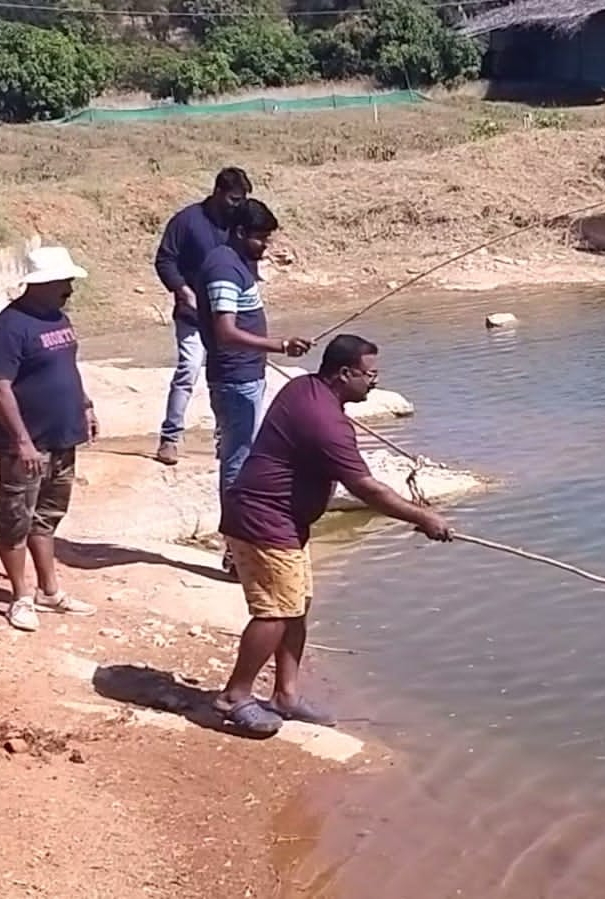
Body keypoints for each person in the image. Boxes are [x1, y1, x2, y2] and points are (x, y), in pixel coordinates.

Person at [215, 334, 452, 735]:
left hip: (285, 522)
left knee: (297, 605)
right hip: (263, 520)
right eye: (369, 374)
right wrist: (423, 517)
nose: (374, 382)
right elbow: (366, 488)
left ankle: (285, 695)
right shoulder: (326, 423)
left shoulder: (305, 388)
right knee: (275, 611)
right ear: (345, 373)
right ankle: (235, 695)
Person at [0, 246, 99, 632]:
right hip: (27, 446)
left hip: (62, 437)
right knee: (16, 520)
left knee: (46, 518)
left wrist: (85, 405)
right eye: (64, 281)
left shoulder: (58, 318)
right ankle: (21, 596)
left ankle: (50, 591)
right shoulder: (8, 329)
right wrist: (22, 442)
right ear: (41, 283)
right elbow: (1, 390)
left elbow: (67, 367)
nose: (70, 288)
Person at [196, 197, 312, 574]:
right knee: (238, 461)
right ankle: (236, 549)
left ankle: (239, 544)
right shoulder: (223, 269)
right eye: (261, 238)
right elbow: (226, 332)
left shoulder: (237, 263)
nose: (265, 246)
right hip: (234, 378)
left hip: (247, 374)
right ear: (241, 232)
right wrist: (279, 345)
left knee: (241, 455)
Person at [151, 167, 253, 467]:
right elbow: (165, 260)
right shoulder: (187, 221)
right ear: (219, 192)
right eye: (234, 199)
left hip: (227, 315)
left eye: (242, 199)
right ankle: (170, 438)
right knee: (189, 369)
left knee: (225, 377)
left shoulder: (239, 223)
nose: (238, 205)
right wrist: (183, 291)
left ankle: (226, 440)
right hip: (193, 314)